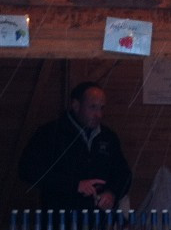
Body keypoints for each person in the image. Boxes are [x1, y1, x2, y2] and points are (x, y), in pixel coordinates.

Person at [18, 81, 132, 212]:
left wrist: (112, 193)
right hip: (60, 219)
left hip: (98, 220)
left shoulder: (108, 137)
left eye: (102, 108)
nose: (98, 114)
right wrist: (74, 185)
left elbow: (123, 173)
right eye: (93, 107)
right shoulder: (50, 133)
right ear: (76, 106)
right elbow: (27, 170)